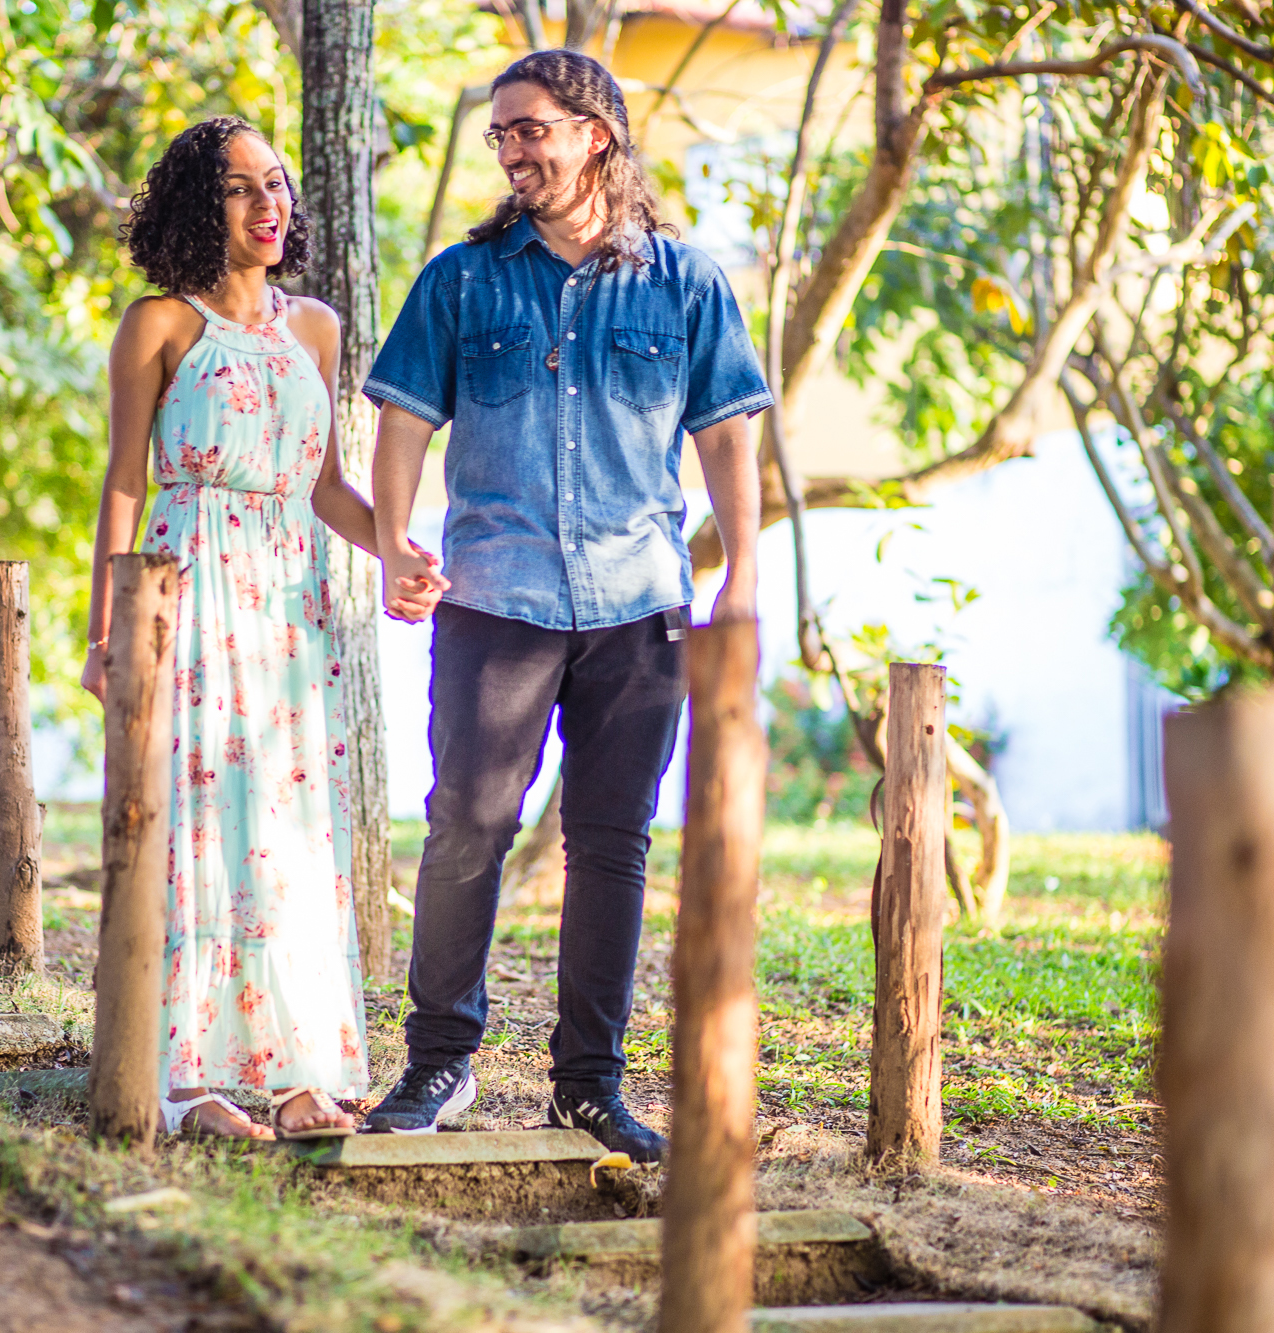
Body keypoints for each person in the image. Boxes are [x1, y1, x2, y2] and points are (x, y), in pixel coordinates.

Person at [360, 50, 769, 1159]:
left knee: (610, 844)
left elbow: (727, 430)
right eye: (500, 134)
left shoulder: (683, 280)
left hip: (640, 614)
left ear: (595, 133)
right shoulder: (460, 279)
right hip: (494, 599)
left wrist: (740, 569)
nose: (511, 150)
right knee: (466, 829)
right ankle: (438, 1060)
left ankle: (585, 1083)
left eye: (528, 128)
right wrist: (396, 539)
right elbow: (401, 419)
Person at [81, 116, 445, 1141]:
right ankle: (186, 1079)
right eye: (240, 189)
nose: (266, 204)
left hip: (288, 606)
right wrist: (108, 628)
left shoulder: (315, 329)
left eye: (275, 184)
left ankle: (293, 1070)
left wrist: (398, 553)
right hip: (185, 585)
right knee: (195, 828)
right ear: (203, 207)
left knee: (285, 836)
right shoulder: (158, 326)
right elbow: (123, 483)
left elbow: (325, 486)